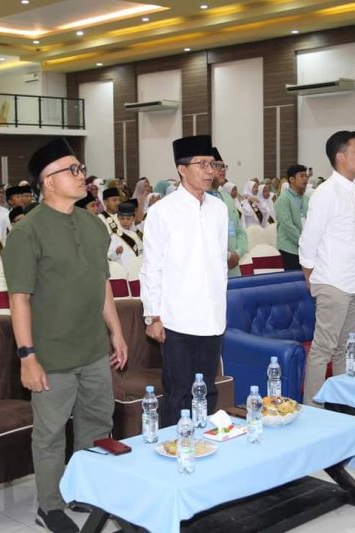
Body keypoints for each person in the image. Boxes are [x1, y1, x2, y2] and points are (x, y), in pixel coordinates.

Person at [3, 138, 127, 533]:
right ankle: (50, 505)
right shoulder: (28, 232)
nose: (81, 176)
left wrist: (117, 334)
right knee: (51, 432)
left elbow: (101, 283)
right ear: (48, 182)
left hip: (92, 348)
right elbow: (19, 300)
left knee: (96, 422)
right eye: (72, 170)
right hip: (51, 354)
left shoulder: (92, 223)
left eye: (80, 168)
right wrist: (27, 356)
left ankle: (85, 490)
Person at [140, 134, 228, 426]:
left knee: (208, 391)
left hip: (213, 316)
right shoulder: (162, 211)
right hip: (177, 318)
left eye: (212, 164)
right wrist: (152, 315)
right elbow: (151, 266)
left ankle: (206, 450)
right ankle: (172, 454)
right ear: (181, 169)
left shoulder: (219, 208)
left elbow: (219, 265)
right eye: (201, 164)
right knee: (178, 393)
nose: (208, 171)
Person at [299, 131, 355, 404]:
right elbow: (309, 239)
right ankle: (314, 409)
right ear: (341, 157)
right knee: (323, 349)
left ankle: (344, 404)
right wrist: (312, 278)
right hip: (333, 281)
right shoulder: (326, 192)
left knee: (347, 348)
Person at [207, 147, 247, 277]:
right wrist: (228, 256)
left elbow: (239, 230)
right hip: (213, 270)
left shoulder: (227, 198)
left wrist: (238, 253)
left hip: (234, 268)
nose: (223, 169)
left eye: (224, 166)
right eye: (218, 166)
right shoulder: (201, 199)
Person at [275, 164, 310, 270]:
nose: (305, 179)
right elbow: (287, 226)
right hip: (289, 249)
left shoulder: (306, 199)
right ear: (292, 179)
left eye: (306, 176)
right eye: (302, 176)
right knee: (294, 283)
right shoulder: (284, 199)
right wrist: (303, 242)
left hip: (305, 248)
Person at [107, 201, 143, 273]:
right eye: (122, 219)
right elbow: (109, 257)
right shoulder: (115, 236)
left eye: (128, 219)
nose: (125, 221)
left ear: (133, 218)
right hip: (122, 272)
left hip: (136, 272)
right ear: (118, 218)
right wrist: (116, 252)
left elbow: (141, 253)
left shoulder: (137, 235)